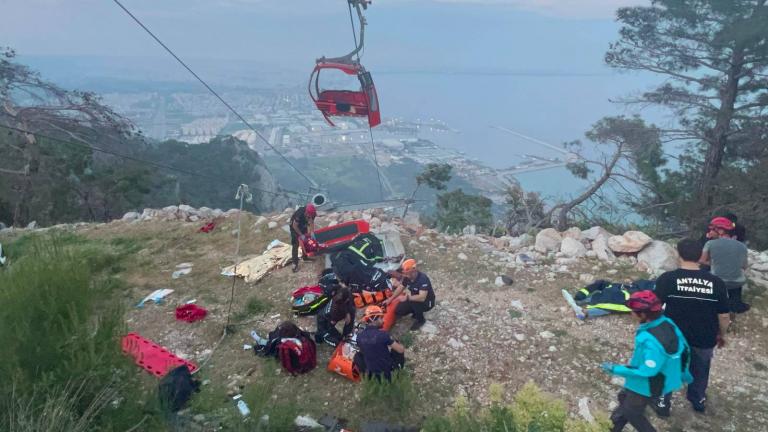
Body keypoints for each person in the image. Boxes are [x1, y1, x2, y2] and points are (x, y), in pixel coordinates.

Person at [653, 239, 730, 415]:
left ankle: (664, 403)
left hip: (674, 337)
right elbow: (724, 315)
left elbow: (654, 308)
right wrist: (722, 334)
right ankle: (698, 400)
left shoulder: (668, 279)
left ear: (678, 254)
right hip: (704, 337)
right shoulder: (716, 282)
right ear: (700, 257)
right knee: (701, 368)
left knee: (669, 368)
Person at [601, 291, 692, 432]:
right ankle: (612, 428)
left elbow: (647, 371)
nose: (631, 313)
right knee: (624, 399)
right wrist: (684, 373)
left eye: (633, 311)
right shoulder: (667, 322)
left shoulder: (649, 340)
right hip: (666, 377)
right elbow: (685, 348)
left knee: (632, 413)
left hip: (648, 384)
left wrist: (615, 369)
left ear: (643, 314)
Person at [701, 217, 750, 313]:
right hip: (737, 282)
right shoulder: (742, 246)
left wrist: (713, 263)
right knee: (736, 281)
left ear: (720, 230)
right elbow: (744, 266)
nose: (710, 232)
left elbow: (702, 261)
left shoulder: (710, 243)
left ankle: (712, 302)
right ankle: (736, 305)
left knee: (703, 270)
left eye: (712, 229)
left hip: (718, 282)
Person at [356, 306, 405, 382]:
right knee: (397, 348)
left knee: (358, 355)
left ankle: (367, 375)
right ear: (373, 319)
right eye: (381, 318)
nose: (383, 320)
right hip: (387, 374)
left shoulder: (359, 337)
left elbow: (366, 350)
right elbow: (401, 350)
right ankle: (398, 372)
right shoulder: (383, 335)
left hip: (373, 373)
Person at [384, 258, 435, 331]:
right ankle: (415, 311)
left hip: (427, 302)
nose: (405, 275)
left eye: (406, 273)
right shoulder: (407, 277)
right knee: (400, 310)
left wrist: (407, 298)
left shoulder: (423, 279)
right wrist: (390, 299)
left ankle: (421, 320)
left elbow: (422, 297)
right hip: (414, 298)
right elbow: (401, 287)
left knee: (414, 301)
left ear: (413, 271)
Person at [290, 204, 317, 273]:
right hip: (294, 226)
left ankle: (305, 257)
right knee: (295, 243)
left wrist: (312, 232)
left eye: (311, 216)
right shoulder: (300, 213)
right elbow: (295, 226)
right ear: (306, 212)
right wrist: (301, 235)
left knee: (305, 240)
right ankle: (294, 264)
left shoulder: (313, 214)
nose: (310, 217)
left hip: (303, 224)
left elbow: (311, 222)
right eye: (309, 215)